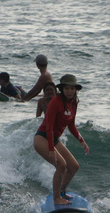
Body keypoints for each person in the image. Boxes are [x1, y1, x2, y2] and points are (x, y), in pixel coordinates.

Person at [33, 74, 89, 205]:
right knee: (61, 165)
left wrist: (82, 141)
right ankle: (56, 198)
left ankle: (62, 192)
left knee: (74, 166)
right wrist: (51, 149)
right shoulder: (56, 102)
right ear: (62, 89)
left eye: (72, 88)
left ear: (76, 90)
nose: (70, 91)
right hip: (42, 138)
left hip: (54, 139)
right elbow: (49, 127)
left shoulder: (74, 103)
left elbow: (71, 125)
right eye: (67, 88)